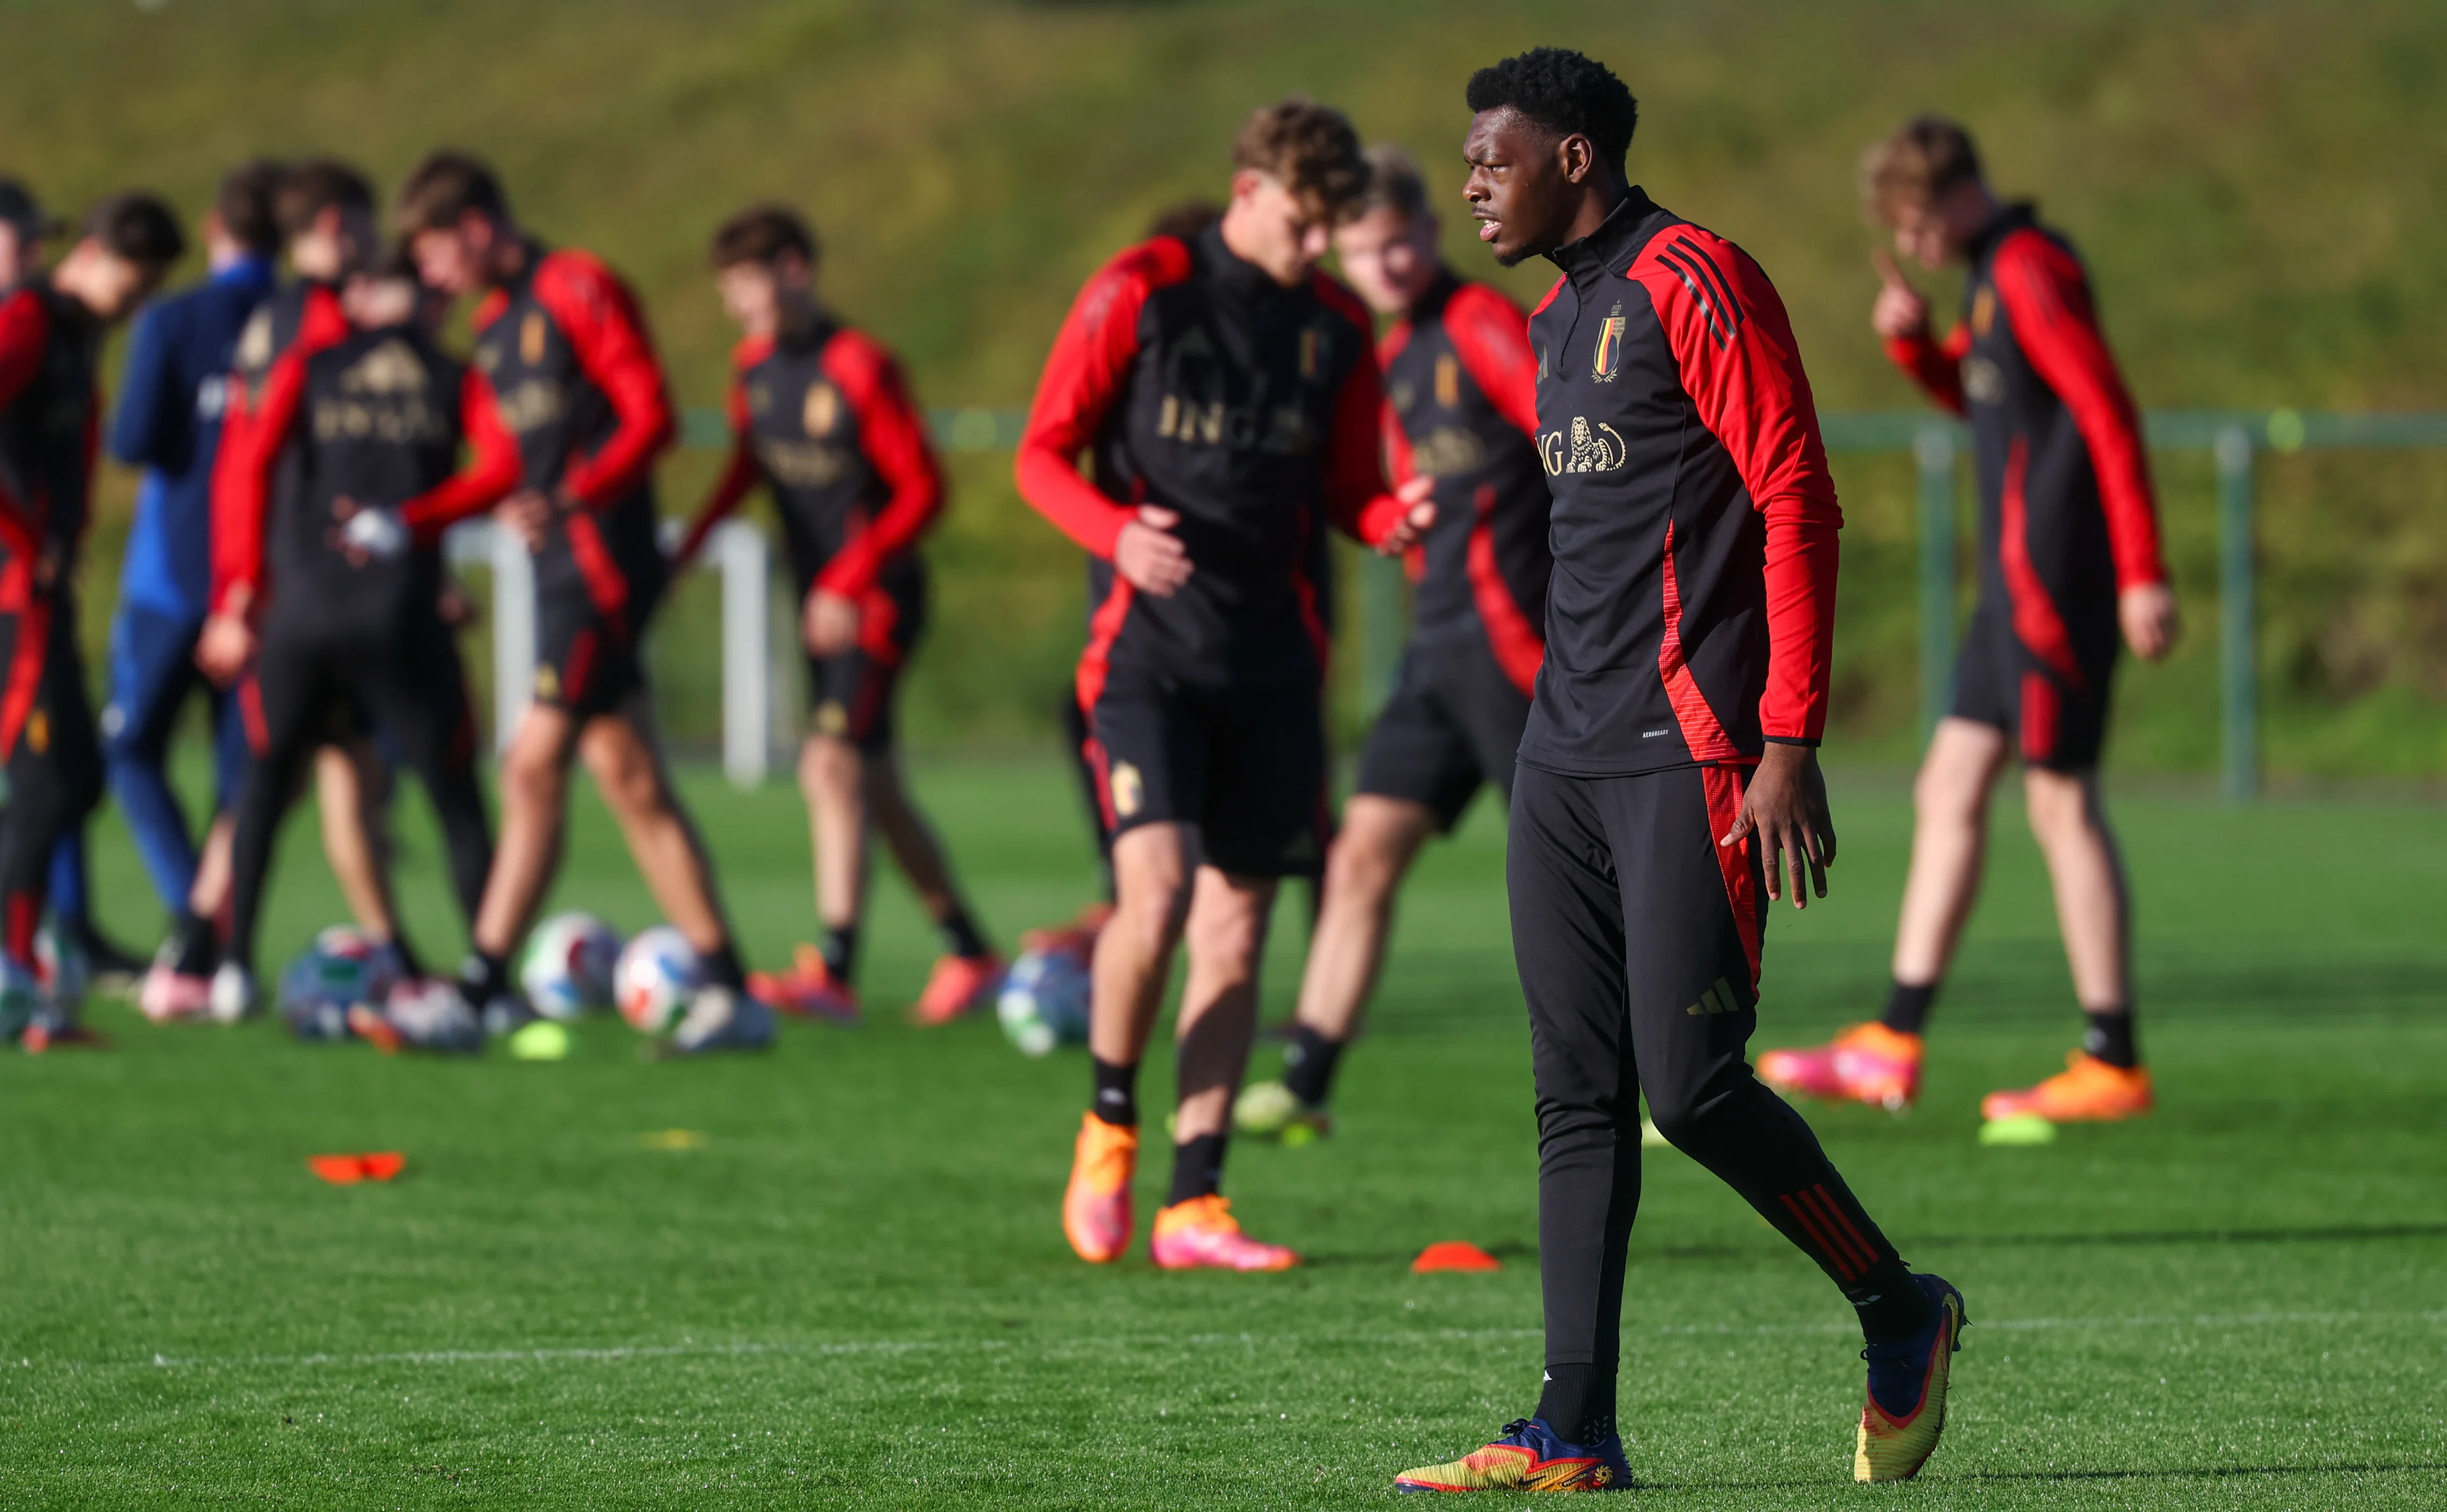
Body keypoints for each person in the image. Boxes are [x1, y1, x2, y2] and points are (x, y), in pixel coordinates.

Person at [1393, 52, 1963, 1492]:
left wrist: (1788, 736)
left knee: (1694, 1088)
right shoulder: (1551, 316)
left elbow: (1796, 496)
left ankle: (1899, 1308)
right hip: (1558, 754)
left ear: (1574, 157)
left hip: (1689, 749)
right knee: (1573, 1094)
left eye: (1493, 159)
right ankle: (1572, 1431)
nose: (1471, 184)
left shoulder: (1694, 278)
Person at [1016, 99, 1434, 1272]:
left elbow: (1347, 486)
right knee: (1151, 900)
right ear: (1249, 191)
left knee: (1238, 928)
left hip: (1275, 662)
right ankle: (1109, 1121)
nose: (1317, 248)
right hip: (1146, 655)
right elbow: (1040, 454)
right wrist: (1115, 532)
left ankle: (1194, 1200)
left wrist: (1387, 518)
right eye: (1303, 224)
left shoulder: (1335, 326)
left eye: (1331, 228)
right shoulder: (1141, 289)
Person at [1755, 116, 2175, 1125]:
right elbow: (1990, 409)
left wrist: (2142, 573)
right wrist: (1914, 348)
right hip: (2011, 596)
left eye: (1913, 224)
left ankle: (2112, 1059)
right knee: (1946, 785)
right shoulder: (1987, 281)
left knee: (2061, 805)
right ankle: (1891, 1041)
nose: (1909, 245)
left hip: (2056, 589)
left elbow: (2106, 412)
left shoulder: (2028, 270)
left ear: (1953, 197)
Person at [396, 150, 771, 1053]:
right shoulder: (494, 328)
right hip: (555, 571)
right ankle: (732, 994)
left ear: (476, 227)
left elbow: (652, 417)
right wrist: (417, 520)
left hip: (604, 571)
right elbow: (501, 466)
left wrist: (571, 496)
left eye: (436, 252)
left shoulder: (578, 286)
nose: (431, 275)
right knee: (632, 783)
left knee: (529, 768)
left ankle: (481, 988)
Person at [1235, 143, 1552, 1142]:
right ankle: (1307, 1080)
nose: (1386, 265)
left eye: (1399, 242)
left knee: (1576, 875)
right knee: (1362, 853)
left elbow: (1573, 439)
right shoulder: (1386, 353)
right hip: (1436, 654)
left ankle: (1669, 1077)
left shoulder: (1478, 320)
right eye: (1364, 251)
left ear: (1431, 230)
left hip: (1516, 650)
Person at [674, 204, 999, 1026]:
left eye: (747, 285)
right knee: (872, 784)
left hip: (876, 603)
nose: (736, 306)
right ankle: (970, 953)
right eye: (728, 291)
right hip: (822, 604)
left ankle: (835, 971)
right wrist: (687, 550)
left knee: (827, 765)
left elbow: (924, 490)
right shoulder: (752, 368)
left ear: (795, 270)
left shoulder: (860, 367)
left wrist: (850, 579)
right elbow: (747, 469)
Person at [197, 254, 516, 1047]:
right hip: (399, 617)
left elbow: (247, 468)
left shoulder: (310, 367)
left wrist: (239, 591)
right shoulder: (452, 376)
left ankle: (233, 967)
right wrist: (418, 521)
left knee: (264, 787)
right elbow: (503, 467)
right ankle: (493, 982)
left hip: (301, 615)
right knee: (454, 796)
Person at [152, 160, 405, 1023]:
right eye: (367, 226)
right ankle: (216, 955)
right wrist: (242, 596)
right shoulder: (324, 325)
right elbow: (260, 466)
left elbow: (236, 469)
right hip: (311, 588)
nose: (377, 245)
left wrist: (237, 587)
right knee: (315, 774)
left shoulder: (272, 319)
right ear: (336, 225)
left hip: (280, 586)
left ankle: (204, 953)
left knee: (313, 772)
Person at [0, 193, 187, 1049]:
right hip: (11, 590)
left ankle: (26, 969)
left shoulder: (76, 336)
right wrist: (24, 538)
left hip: (41, 589)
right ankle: (13, 975)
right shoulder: (29, 321)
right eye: (132, 284)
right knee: (46, 781)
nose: (134, 304)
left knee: (73, 775)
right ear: (93, 254)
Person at [95, 159, 280, 1010]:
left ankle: (189, 922)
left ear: (213, 230)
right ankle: (226, 950)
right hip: (265, 585)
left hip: (173, 579)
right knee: (244, 778)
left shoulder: (173, 319)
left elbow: (132, 440)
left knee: (130, 749)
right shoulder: (298, 320)